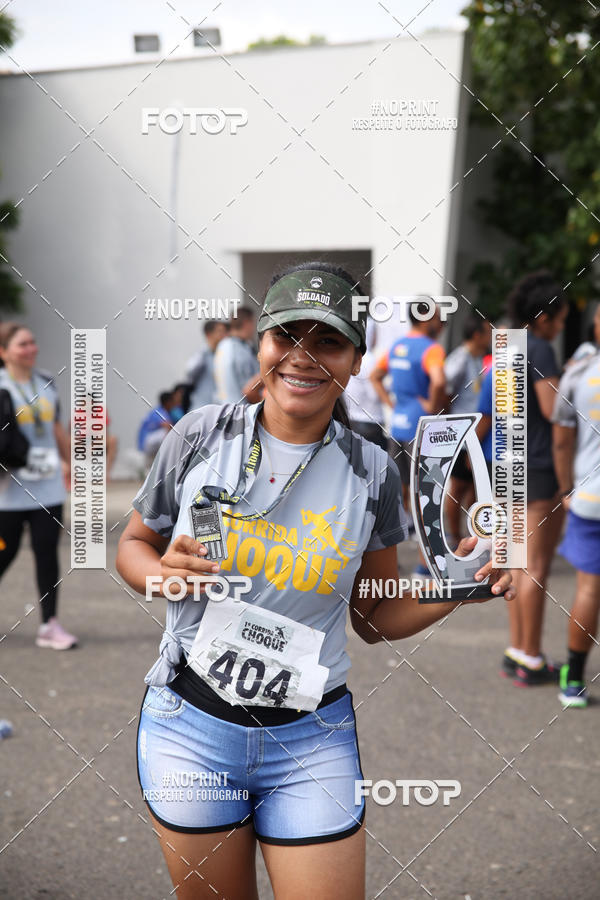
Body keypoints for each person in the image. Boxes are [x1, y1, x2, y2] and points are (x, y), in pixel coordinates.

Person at [116, 261, 513, 900]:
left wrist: (465, 584)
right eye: (286, 336)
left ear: (356, 360)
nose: (303, 357)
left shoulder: (374, 470)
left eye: (327, 340)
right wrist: (159, 574)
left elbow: (376, 617)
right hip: (190, 727)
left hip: (311, 738)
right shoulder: (197, 436)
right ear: (260, 344)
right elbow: (133, 544)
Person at [502, 271, 569, 686]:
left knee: (513, 563)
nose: (562, 325)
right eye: (560, 318)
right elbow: (554, 410)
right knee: (536, 568)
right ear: (544, 318)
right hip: (540, 468)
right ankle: (531, 656)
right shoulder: (541, 349)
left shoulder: (507, 344)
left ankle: (515, 649)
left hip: (509, 463)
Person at [0, 323, 77, 650]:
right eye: (22, 344)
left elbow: (56, 427)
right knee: (5, 551)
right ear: (4, 352)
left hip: (46, 488)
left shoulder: (45, 381)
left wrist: (70, 461)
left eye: (32, 342)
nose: (31, 349)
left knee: (47, 554)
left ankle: (50, 624)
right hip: (7, 491)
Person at [552, 349, 600, 708]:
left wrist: (566, 487)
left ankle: (572, 681)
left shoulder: (579, 372)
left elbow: (561, 439)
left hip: (590, 497)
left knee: (588, 591)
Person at [444, 315, 492, 546]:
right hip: (462, 437)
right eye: (488, 332)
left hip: (477, 437)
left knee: (476, 487)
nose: (491, 337)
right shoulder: (460, 359)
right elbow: (443, 389)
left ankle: (471, 533)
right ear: (477, 335)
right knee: (458, 488)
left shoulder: (478, 359)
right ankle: (453, 536)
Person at [346, 318, 386, 450]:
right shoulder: (370, 360)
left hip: (352, 419)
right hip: (370, 422)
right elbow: (374, 395)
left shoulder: (349, 354)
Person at [214, 307, 260, 404]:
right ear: (247, 323)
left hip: (224, 409)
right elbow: (249, 391)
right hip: (240, 412)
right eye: (253, 323)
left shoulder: (223, 345)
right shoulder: (240, 349)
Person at [185, 320, 228, 411]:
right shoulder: (202, 355)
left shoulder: (223, 356)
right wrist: (208, 349)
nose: (225, 335)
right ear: (209, 334)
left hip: (218, 412)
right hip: (200, 411)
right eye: (220, 331)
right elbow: (189, 372)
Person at [137, 390, 178, 467]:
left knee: (168, 433)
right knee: (167, 433)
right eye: (173, 401)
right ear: (168, 402)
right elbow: (167, 426)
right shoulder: (158, 411)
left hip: (151, 442)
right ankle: (169, 461)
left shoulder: (163, 411)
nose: (174, 404)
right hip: (146, 443)